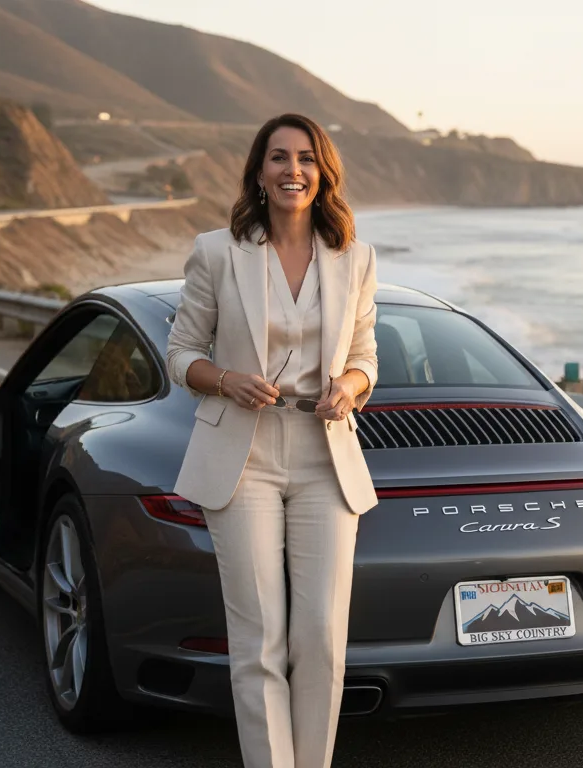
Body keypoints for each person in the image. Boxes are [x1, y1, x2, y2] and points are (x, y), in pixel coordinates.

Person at [165, 113, 379, 768]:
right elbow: (180, 355)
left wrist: (349, 384)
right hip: (244, 457)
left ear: (324, 173)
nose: (294, 170)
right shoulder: (215, 252)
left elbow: (367, 358)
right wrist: (227, 380)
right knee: (258, 640)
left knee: (320, 638)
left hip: (324, 457)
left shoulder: (356, 258)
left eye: (307, 158)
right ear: (259, 172)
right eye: (280, 158)